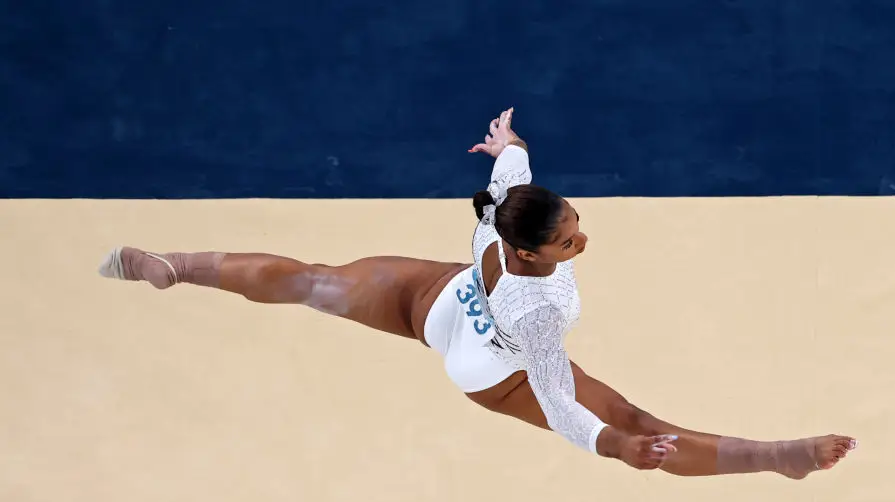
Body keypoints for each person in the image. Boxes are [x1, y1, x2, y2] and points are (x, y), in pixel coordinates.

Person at [98, 107, 856, 478]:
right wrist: (614, 445)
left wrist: (508, 145)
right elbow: (559, 400)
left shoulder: (502, 214)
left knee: (315, 282)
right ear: (530, 250)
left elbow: (511, 169)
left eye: (578, 227)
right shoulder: (542, 307)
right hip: (489, 367)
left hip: (438, 300)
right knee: (634, 417)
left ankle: (176, 265)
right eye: (569, 242)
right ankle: (775, 457)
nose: (582, 242)